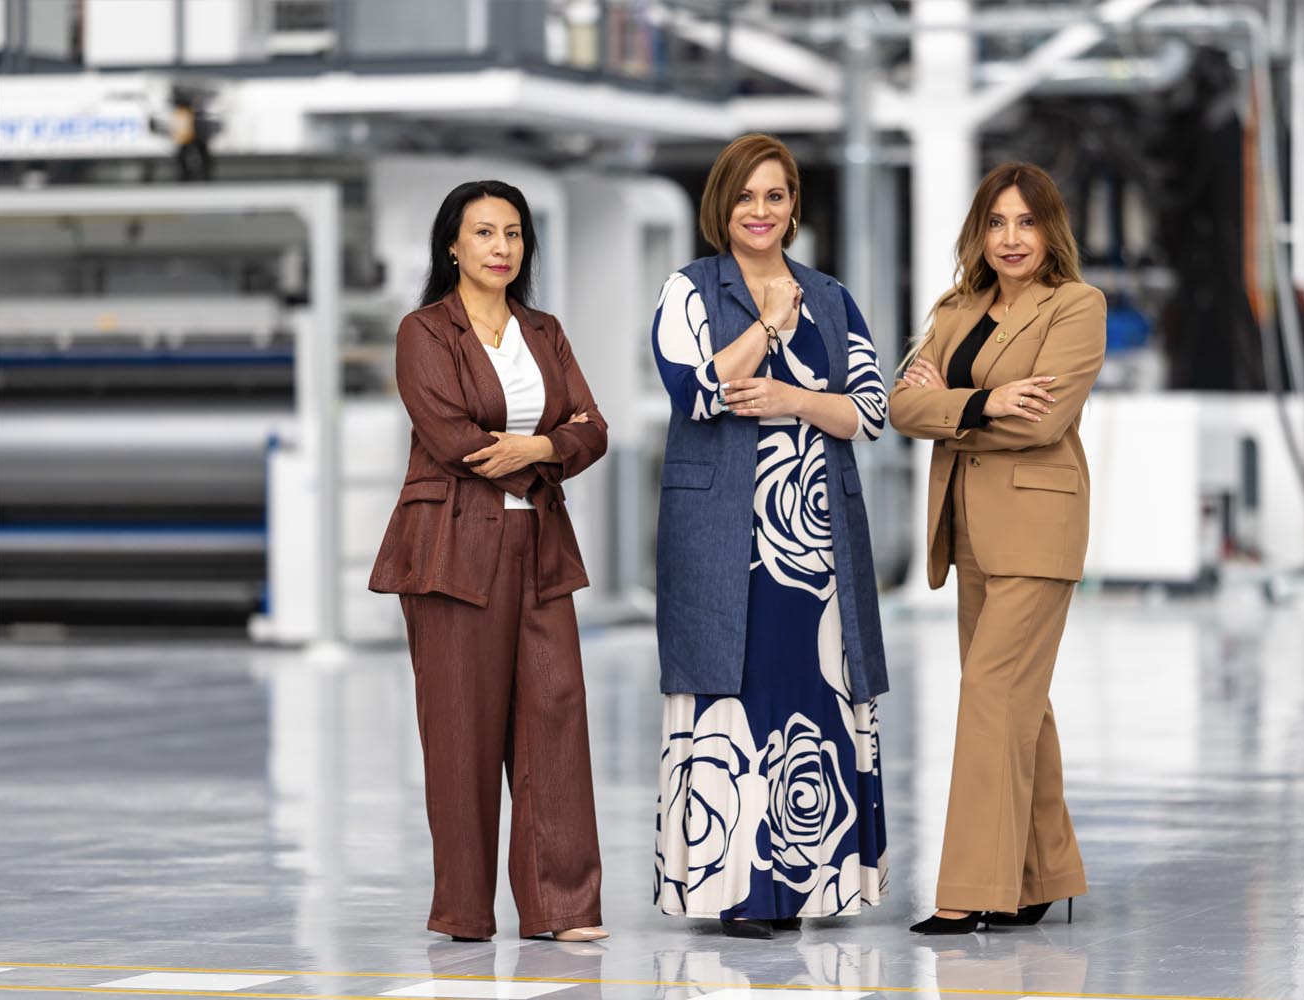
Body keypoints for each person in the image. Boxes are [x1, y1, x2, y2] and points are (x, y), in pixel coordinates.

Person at [651, 133, 890, 939]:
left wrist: (793, 399)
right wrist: (768, 323)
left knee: (810, 699)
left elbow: (870, 411)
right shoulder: (688, 289)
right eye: (746, 197)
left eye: (776, 196)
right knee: (732, 699)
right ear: (723, 205)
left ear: (794, 206)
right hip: (721, 536)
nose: (761, 211)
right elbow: (694, 391)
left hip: (815, 540)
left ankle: (813, 887)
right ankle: (740, 891)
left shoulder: (833, 296)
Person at [368, 180, 609, 944]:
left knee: (556, 715)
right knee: (461, 731)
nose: (501, 247)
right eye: (483, 233)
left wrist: (538, 446)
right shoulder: (424, 332)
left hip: (540, 546)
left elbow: (594, 428)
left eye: (513, 233)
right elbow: (450, 437)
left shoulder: (545, 331)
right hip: (451, 550)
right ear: (452, 245)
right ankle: (465, 910)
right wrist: (549, 449)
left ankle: (562, 908)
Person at [889, 162, 1106, 934]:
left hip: (1037, 530)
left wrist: (951, 407)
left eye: (1026, 222)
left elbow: (1043, 421)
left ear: (1051, 231)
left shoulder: (1076, 306)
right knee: (1016, 703)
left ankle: (972, 890)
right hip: (969, 530)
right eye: (996, 222)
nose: (1011, 238)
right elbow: (901, 406)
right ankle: (1043, 874)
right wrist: (985, 402)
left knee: (989, 693)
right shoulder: (956, 310)